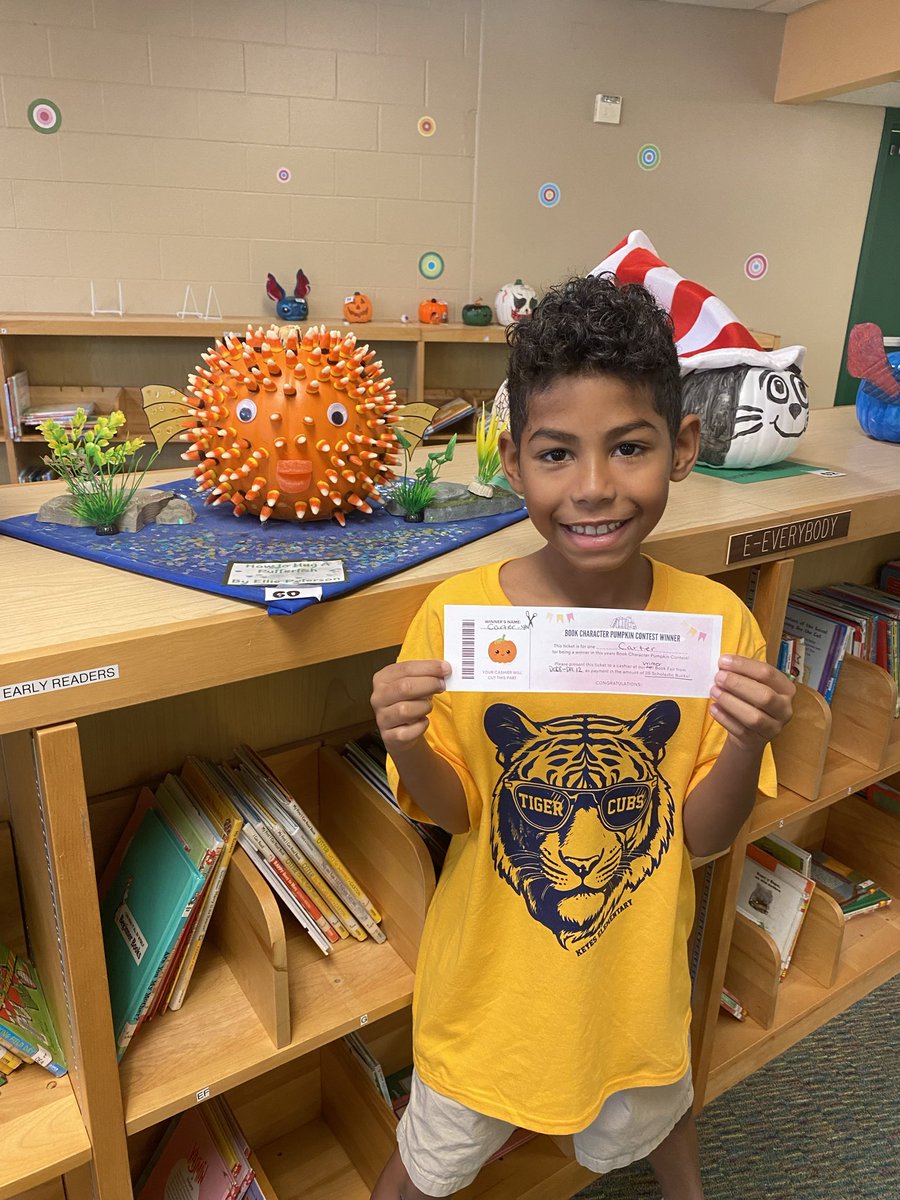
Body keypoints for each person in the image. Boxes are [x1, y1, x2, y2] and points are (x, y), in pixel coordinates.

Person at [369, 274, 794, 1200]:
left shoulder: (718, 627)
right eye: (557, 453)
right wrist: (405, 742)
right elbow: (455, 815)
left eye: (629, 447)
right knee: (426, 1157)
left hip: (633, 999)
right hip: (487, 998)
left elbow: (702, 839)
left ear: (681, 448)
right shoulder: (455, 616)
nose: (594, 488)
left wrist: (752, 738)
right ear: (513, 462)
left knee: (661, 1105)